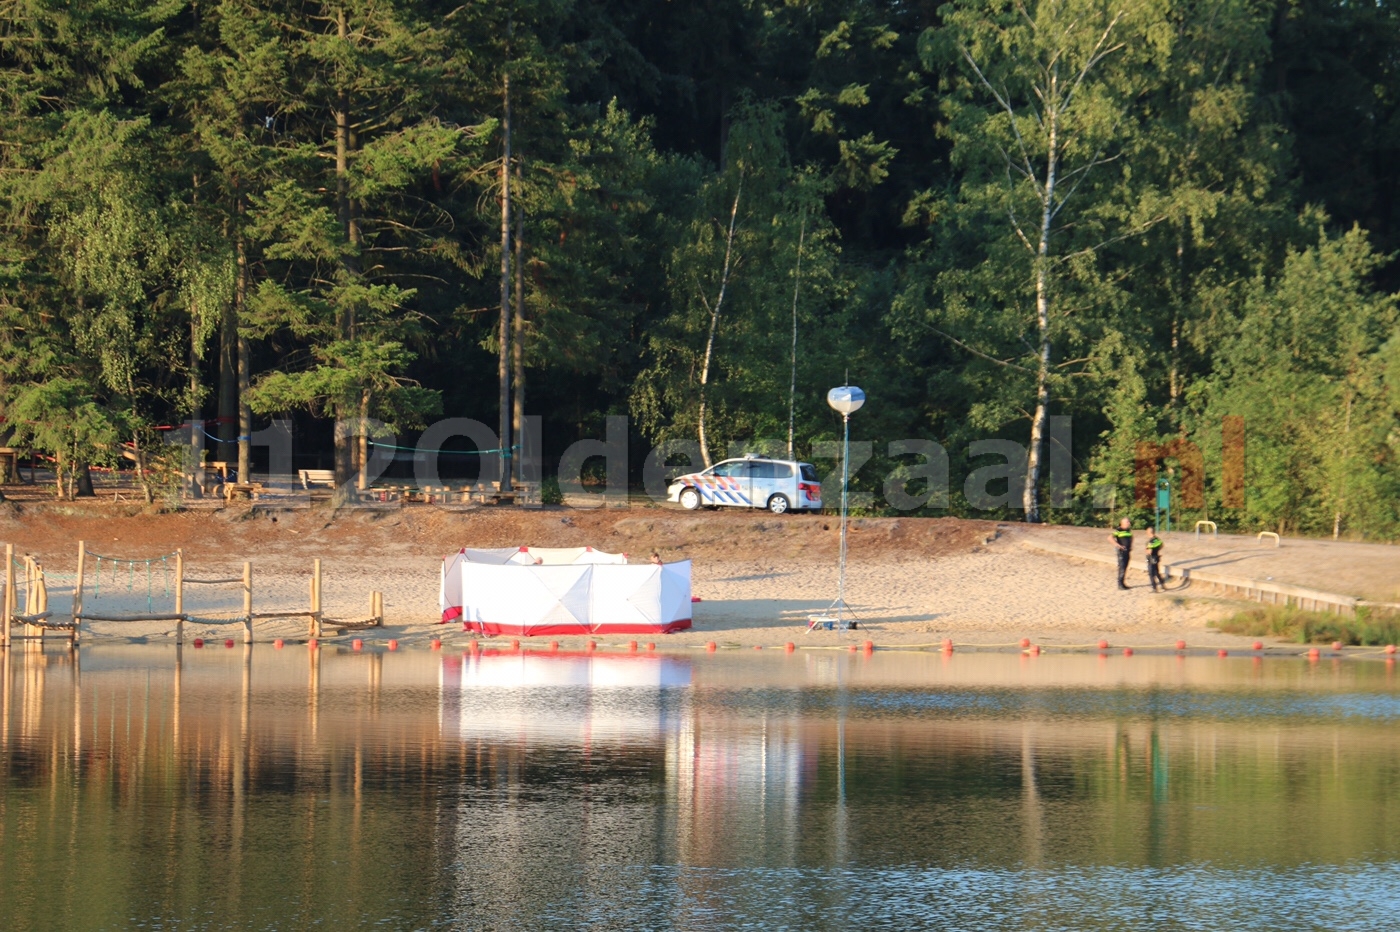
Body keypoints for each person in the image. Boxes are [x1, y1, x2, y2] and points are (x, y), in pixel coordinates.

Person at [1111, 518, 1133, 590]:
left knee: (1125, 567)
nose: (1129, 523)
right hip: (1121, 552)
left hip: (1127, 551)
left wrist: (1131, 545)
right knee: (1122, 567)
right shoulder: (1118, 530)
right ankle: (1120, 584)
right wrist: (1118, 545)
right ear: (1122, 523)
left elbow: (1131, 537)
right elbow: (1110, 538)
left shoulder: (1128, 530)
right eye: (1127, 522)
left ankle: (1123, 583)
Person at [1145, 528, 1166, 592]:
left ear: (1149, 533)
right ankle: (1162, 585)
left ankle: (1154, 588)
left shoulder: (1150, 541)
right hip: (1156, 557)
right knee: (1157, 572)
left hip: (1151, 558)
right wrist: (1157, 550)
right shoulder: (1157, 539)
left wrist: (1146, 551)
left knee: (1151, 574)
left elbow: (1149, 551)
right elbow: (1162, 545)